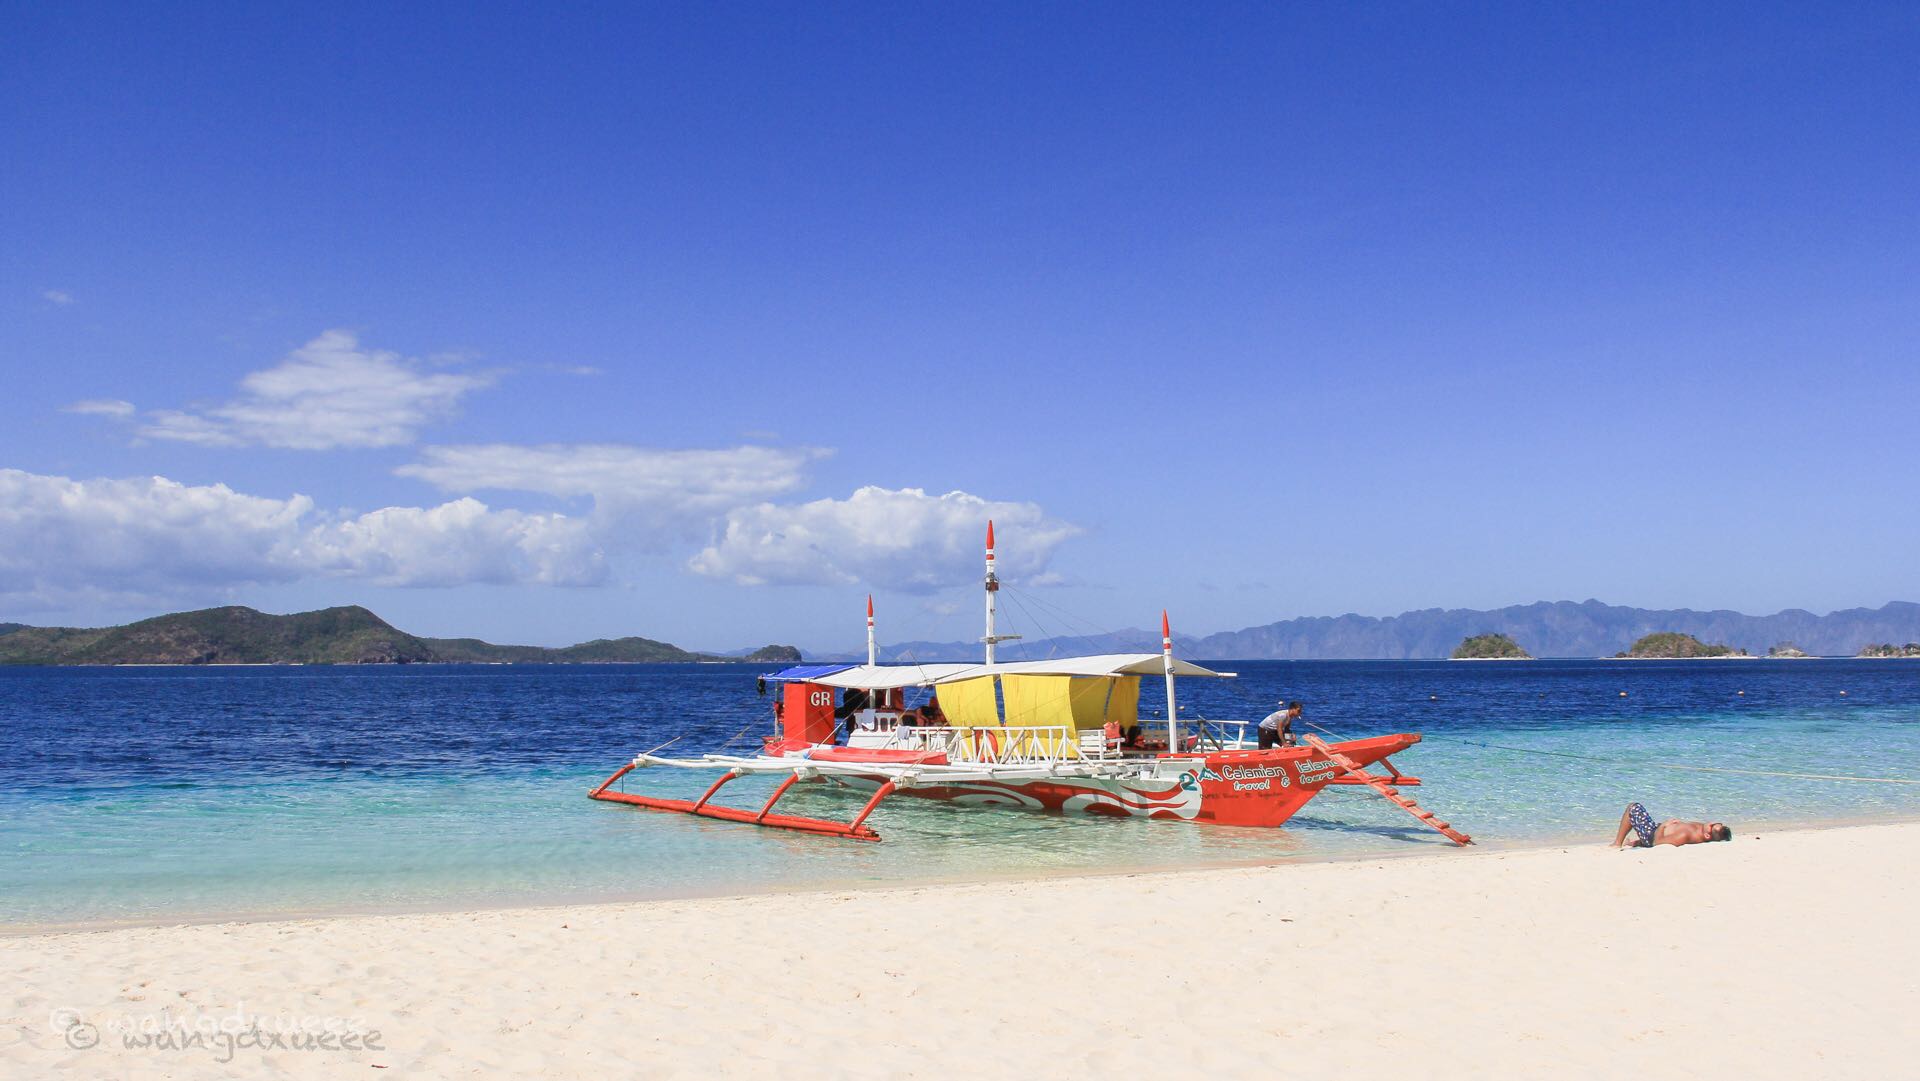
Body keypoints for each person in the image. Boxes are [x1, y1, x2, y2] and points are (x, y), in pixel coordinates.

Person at [1612, 803, 1732, 848]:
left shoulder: (1685, 835)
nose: (1711, 823)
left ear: (1707, 835)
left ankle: (1617, 843)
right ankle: (1632, 843)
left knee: (1633, 808)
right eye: (1717, 823)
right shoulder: (1701, 829)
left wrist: (1663, 826)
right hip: (1656, 830)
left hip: (1652, 835)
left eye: (1712, 827)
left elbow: (1656, 843)